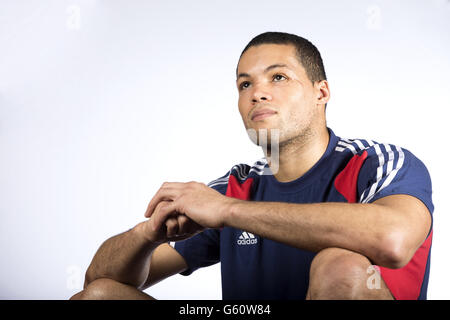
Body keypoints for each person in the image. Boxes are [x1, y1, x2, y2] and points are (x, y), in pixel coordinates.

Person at [70, 32, 433, 300]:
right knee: (100, 296)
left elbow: (393, 239)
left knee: (342, 267)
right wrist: (146, 234)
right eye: (245, 84)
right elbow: (98, 280)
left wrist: (229, 211)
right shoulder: (234, 186)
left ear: (320, 93)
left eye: (278, 77)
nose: (257, 93)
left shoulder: (376, 163)